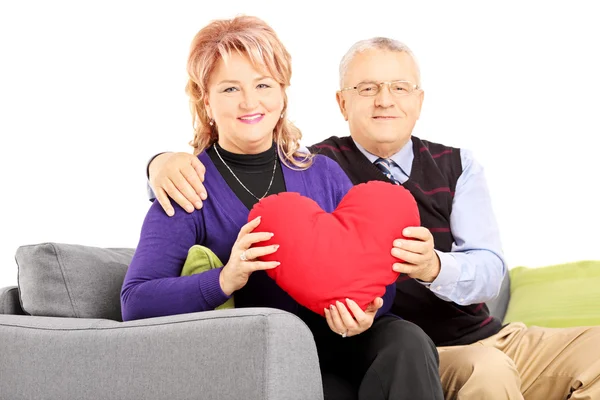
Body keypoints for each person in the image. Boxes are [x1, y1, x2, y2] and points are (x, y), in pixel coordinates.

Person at [146, 36, 600, 399]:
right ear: (342, 102)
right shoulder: (303, 164)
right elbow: (139, 297)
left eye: (264, 84)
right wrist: (161, 167)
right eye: (367, 88)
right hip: (388, 350)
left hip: (462, 335)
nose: (385, 101)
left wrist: (404, 286)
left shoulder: (332, 170)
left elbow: (449, 276)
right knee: (464, 363)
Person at [122, 17, 443, 400]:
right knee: (326, 388)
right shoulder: (188, 185)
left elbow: (373, 269)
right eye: (229, 88)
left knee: (407, 339)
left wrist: (369, 309)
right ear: (205, 99)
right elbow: (135, 302)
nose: (249, 102)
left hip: (347, 339)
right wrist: (227, 278)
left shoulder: (322, 171)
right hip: (267, 358)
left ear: (282, 93)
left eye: (263, 85)